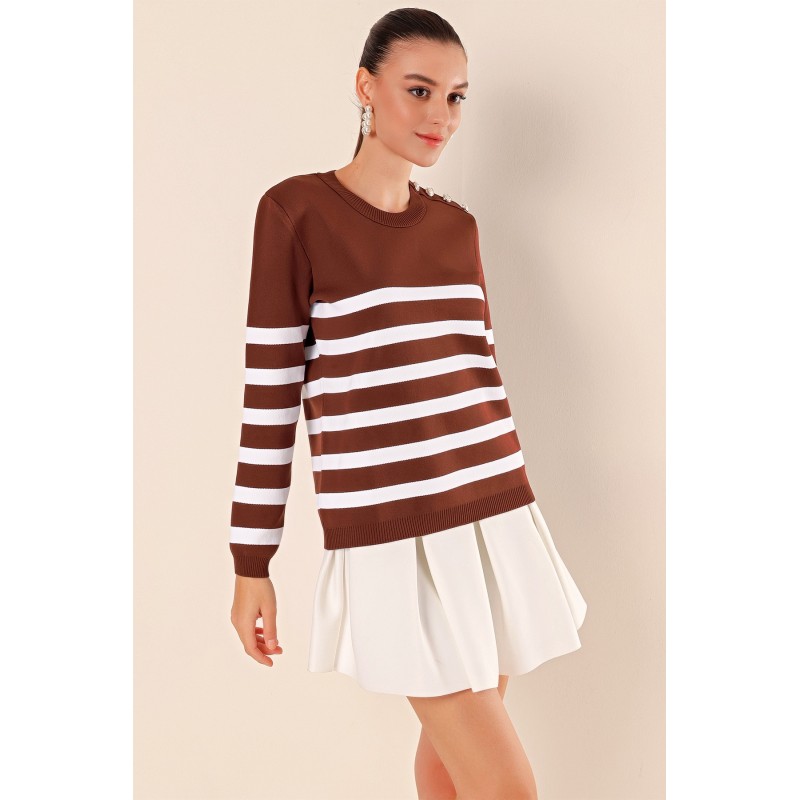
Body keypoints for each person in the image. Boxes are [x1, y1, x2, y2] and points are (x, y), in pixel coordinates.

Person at [229, 8, 587, 799]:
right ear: (366, 87)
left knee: (452, 768)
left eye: (456, 97)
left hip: (493, 514)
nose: (440, 116)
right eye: (419, 90)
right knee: (507, 787)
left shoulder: (457, 229)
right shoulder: (296, 213)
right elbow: (269, 397)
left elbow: (478, 373)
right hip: (392, 536)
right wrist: (251, 561)